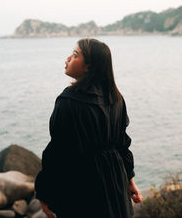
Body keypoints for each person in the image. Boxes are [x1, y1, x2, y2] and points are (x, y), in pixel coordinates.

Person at [35, 38, 143, 218]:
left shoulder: (68, 101)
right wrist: (129, 180)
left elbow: (57, 151)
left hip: (83, 185)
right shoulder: (116, 98)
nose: (67, 58)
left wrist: (44, 193)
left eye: (75, 55)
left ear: (89, 67)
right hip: (115, 181)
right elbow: (122, 144)